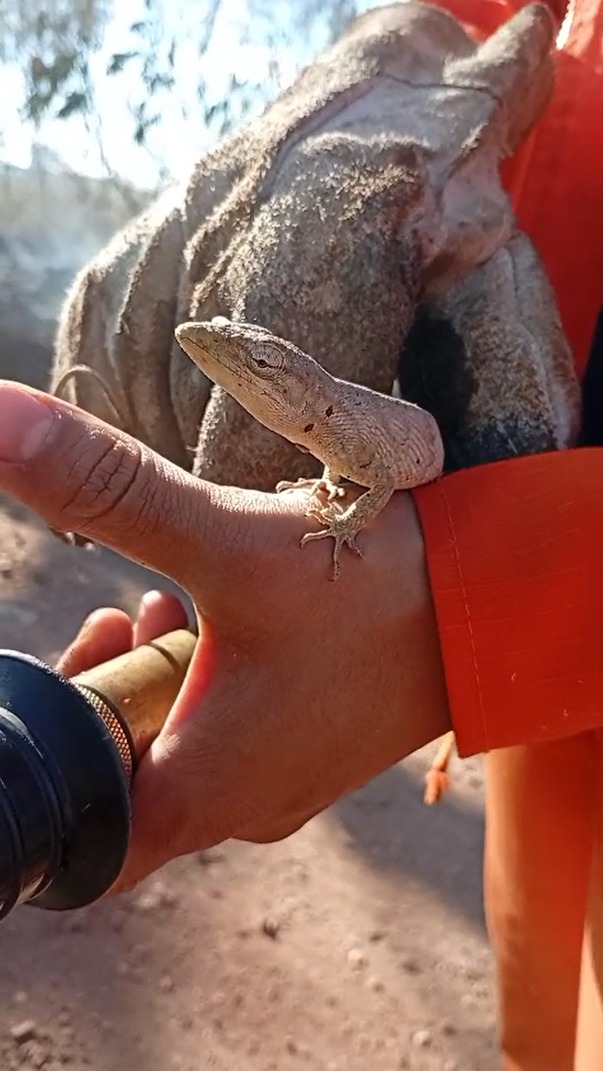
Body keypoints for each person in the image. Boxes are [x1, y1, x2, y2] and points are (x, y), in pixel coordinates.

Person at [0, 0, 600, 1066]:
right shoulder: (306, 397)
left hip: (523, 570)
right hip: (530, 662)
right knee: (541, 1001)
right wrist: (414, 55)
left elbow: (364, 477)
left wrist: (476, 600)